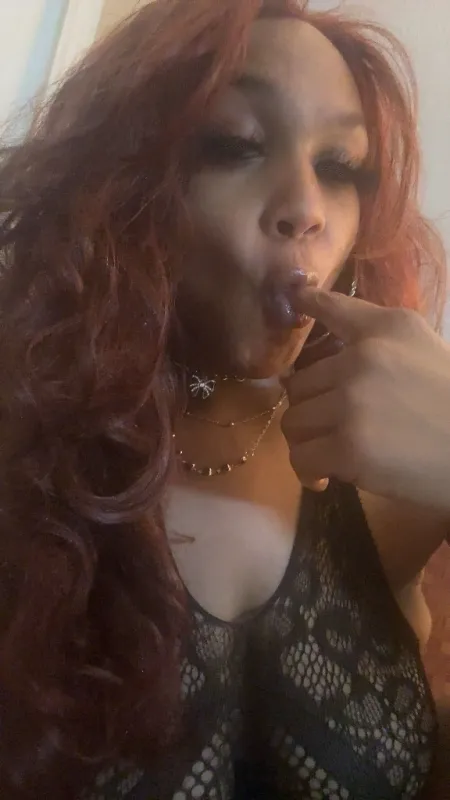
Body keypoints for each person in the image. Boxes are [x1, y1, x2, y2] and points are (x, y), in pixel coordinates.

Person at [0, 0, 449, 797]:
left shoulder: (393, 482)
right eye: (236, 145)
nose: (306, 208)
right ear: (123, 188)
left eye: (339, 165)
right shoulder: (23, 442)